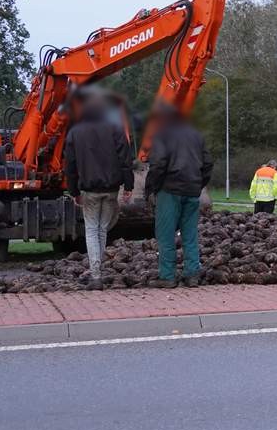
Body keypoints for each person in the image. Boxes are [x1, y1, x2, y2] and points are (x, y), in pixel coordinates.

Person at [64, 93, 134, 287]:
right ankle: (98, 270)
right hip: (111, 188)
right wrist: (128, 186)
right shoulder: (115, 127)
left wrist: (74, 191)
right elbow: (125, 159)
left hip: (89, 190)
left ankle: (96, 275)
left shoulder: (75, 132)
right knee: (102, 229)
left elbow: (70, 164)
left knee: (92, 230)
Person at [145, 104, 213, 287]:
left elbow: (158, 164)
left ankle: (167, 276)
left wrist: (151, 188)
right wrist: (199, 184)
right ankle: (192, 275)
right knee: (189, 235)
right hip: (192, 191)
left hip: (170, 190)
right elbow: (208, 164)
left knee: (165, 234)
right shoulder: (196, 135)